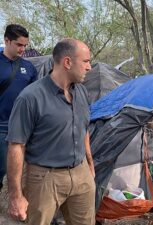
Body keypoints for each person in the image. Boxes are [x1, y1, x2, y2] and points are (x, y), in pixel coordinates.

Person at [6, 38, 95, 225]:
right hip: (45, 178)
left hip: (81, 174)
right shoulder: (30, 98)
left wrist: (89, 164)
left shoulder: (82, 92)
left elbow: (83, 127)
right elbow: (16, 146)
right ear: (67, 62)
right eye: (86, 61)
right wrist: (16, 196)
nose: (90, 67)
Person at [0, 24, 38, 191]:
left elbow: (36, 97)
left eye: (25, 45)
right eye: (19, 44)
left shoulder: (29, 68)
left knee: (26, 169)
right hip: (1, 127)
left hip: (23, 127)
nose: (23, 49)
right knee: (1, 169)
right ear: (7, 41)